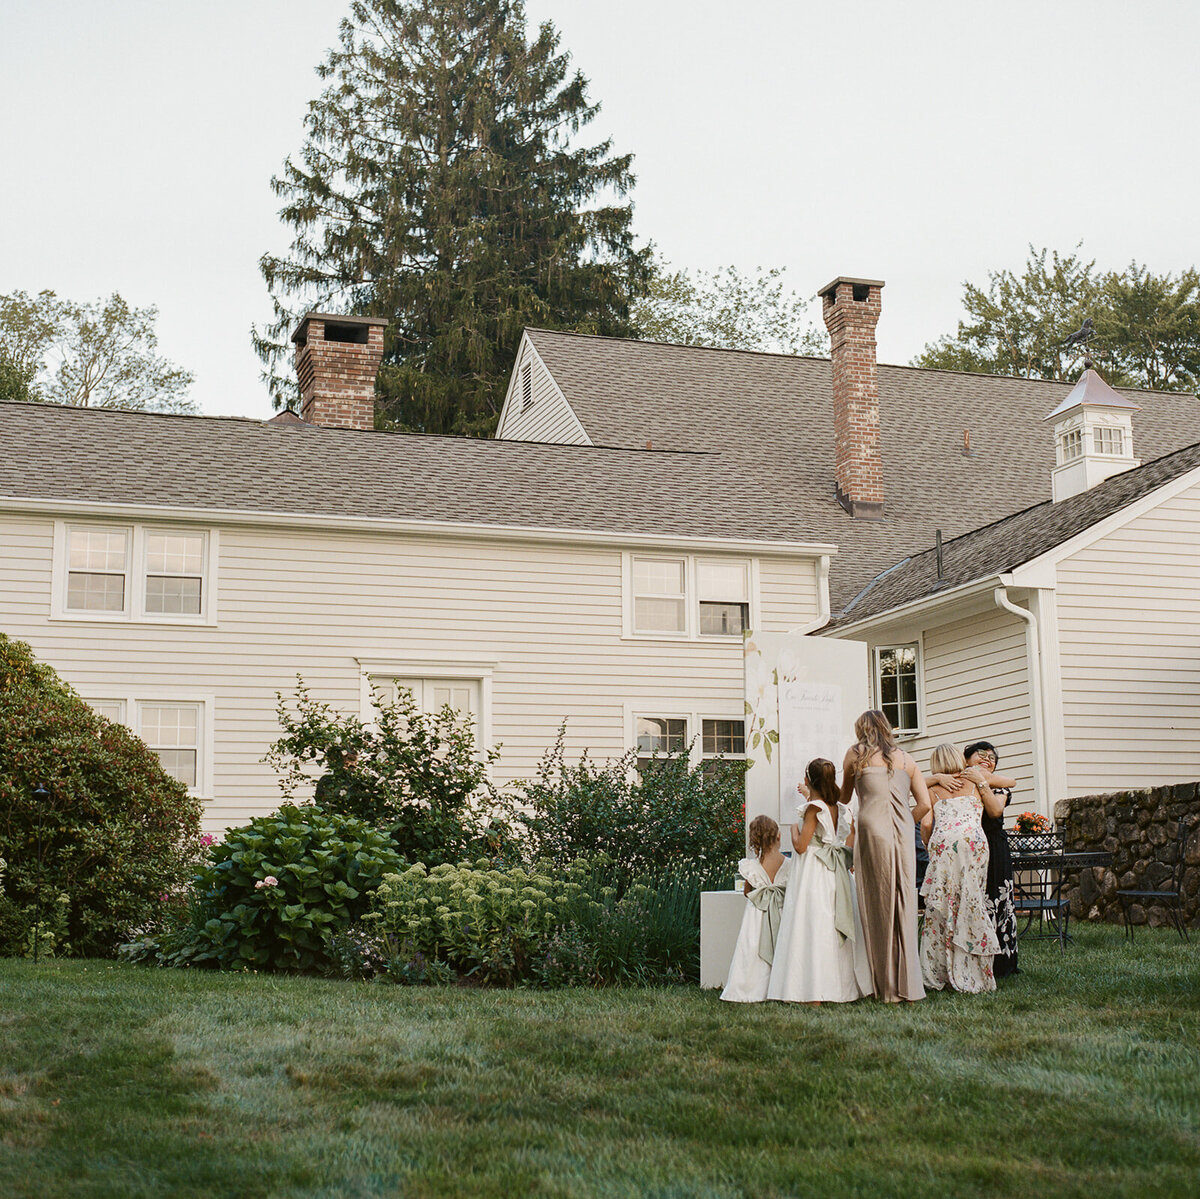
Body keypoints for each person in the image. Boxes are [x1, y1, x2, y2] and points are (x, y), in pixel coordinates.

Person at [840, 710, 932, 1003]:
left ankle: (885, 987)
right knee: (903, 901)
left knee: (877, 902)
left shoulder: (856, 754)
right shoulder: (908, 759)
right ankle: (909, 985)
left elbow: (843, 797)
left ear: (861, 730)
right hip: (902, 835)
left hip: (872, 831)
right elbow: (925, 804)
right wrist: (905, 820)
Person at [767, 759, 869, 1004]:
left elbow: (801, 846)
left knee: (811, 925)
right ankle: (841, 988)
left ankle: (812, 991)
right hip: (834, 870)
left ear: (809, 779)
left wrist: (793, 829)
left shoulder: (813, 808)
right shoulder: (837, 807)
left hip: (813, 869)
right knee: (830, 923)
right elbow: (847, 834)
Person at [919, 743, 1003, 993]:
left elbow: (925, 823)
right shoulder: (976, 779)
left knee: (941, 907)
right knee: (971, 902)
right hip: (972, 844)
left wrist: (934, 779)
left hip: (943, 846)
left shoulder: (932, 788)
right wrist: (981, 779)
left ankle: (939, 971)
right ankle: (973, 970)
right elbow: (1011, 783)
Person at [964, 741, 1019, 978]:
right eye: (981, 755)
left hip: (994, 845)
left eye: (992, 758)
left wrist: (982, 781)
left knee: (998, 901)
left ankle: (1001, 965)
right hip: (968, 848)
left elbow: (995, 810)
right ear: (966, 760)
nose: (988, 759)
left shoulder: (999, 789)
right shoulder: (960, 783)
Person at [721, 815, 790, 1003]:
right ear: (778, 836)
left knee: (751, 951)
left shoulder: (751, 867)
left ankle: (748, 989)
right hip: (782, 912)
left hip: (756, 915)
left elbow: (747, 892)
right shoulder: (789, 864)